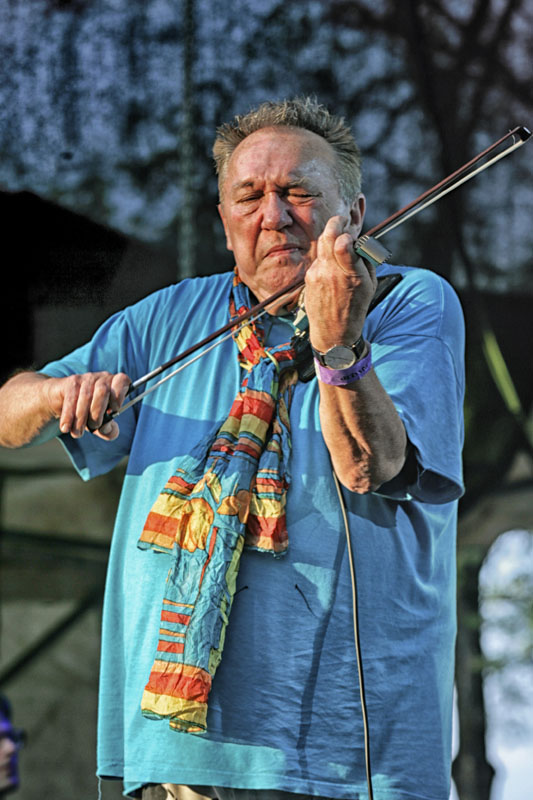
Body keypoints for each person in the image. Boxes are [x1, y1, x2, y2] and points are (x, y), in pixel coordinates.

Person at [0, 98, 464, 800]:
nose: (273, 217)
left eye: (299, 193)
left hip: (346, 762)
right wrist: (52, 395)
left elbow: (370, 464)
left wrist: (339, 342)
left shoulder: (406, 303)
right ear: (224, 224)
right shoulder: (169, 317)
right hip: (173, 755)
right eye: (248, 197)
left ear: (356, 215)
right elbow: (8, 415)